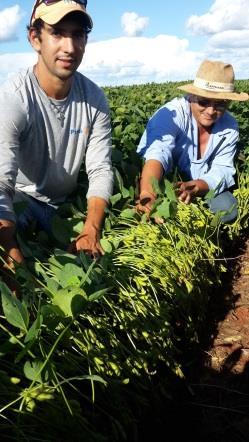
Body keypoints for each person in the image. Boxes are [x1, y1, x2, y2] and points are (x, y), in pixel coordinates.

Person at [0, 0, 113, 273]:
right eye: (57, 33)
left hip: (64, 207)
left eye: (78, 34)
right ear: (35, 38)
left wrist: (91, 229)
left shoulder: (94, 99)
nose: (70, 47)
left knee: (101, 262)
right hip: (20, 202)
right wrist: (10, 252)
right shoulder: (15, 97)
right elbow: (1, 183)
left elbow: (100, 169)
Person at [136, 59, 249, 222]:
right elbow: (158, 152)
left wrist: (196, 186)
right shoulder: (170, 115)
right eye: (203, 101)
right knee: (161, 213)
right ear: (192, 95)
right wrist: (148, 193)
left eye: (220, 104)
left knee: (227, 209)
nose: (211, 111)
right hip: (165, 185)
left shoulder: (229, 125)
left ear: (229, 102)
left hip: (204, 185)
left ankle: (210, 233)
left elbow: (222, 168)